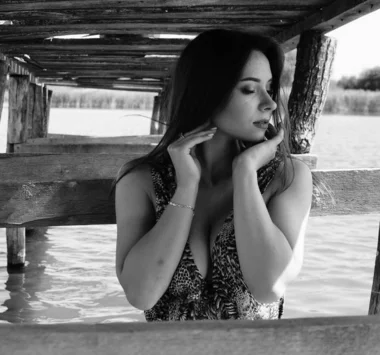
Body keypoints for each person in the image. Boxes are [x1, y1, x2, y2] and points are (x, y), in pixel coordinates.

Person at [114, 29, 313, 321]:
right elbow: (141, 294)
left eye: (269, 88)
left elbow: (269, 285)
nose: (269, 103)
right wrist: (186, 187)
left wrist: (245, 173)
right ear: (207, 92)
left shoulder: (287, 177)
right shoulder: (142, 179)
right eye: (249, 89)